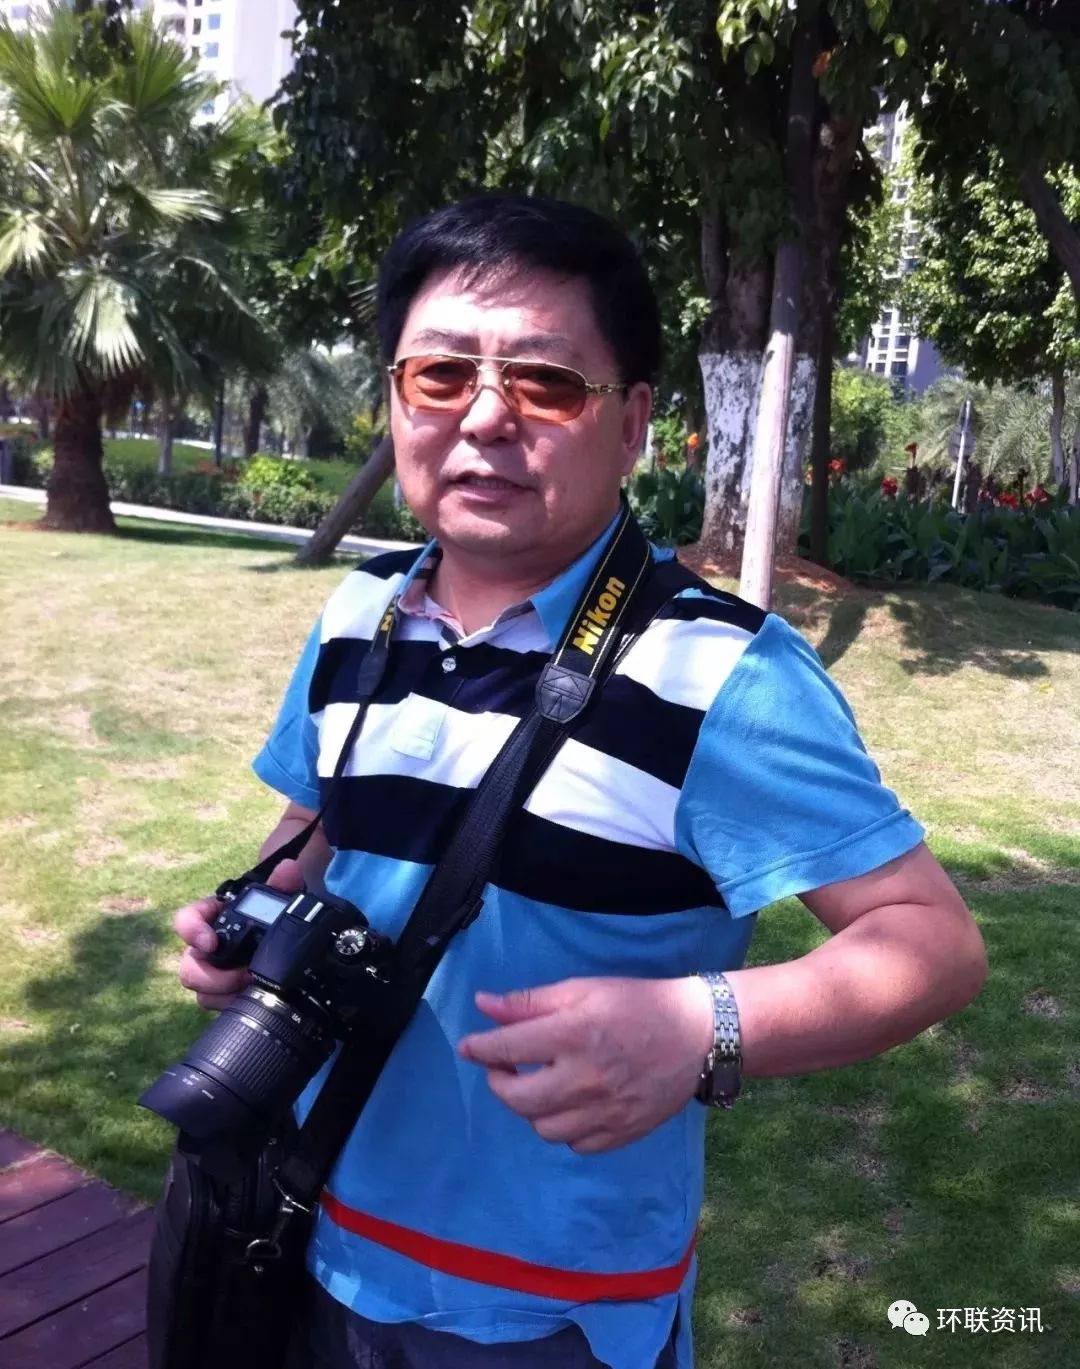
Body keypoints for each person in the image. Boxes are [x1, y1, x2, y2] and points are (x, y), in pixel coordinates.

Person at [172, 194, 988, 1369]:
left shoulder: (721, 672)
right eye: (440, 375)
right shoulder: (360, 613)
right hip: (307, 1228)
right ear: (395, 398)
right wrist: (253, 918)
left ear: (633, 421)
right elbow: (319, 821)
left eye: (545, 384)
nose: (484, 418)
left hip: (550, 1316)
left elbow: (931, 943)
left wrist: (702, 1028)